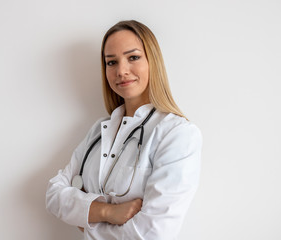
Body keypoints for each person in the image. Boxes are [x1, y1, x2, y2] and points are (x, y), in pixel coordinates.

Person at [46, 20, 202, 240]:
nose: (121, 70)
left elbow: (153, 233)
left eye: (133, 57)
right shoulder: (98, 132)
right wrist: (108, 212)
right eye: (111, 62)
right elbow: (53, 194)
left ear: (152, 61)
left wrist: (86, 220)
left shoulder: (177, 134)